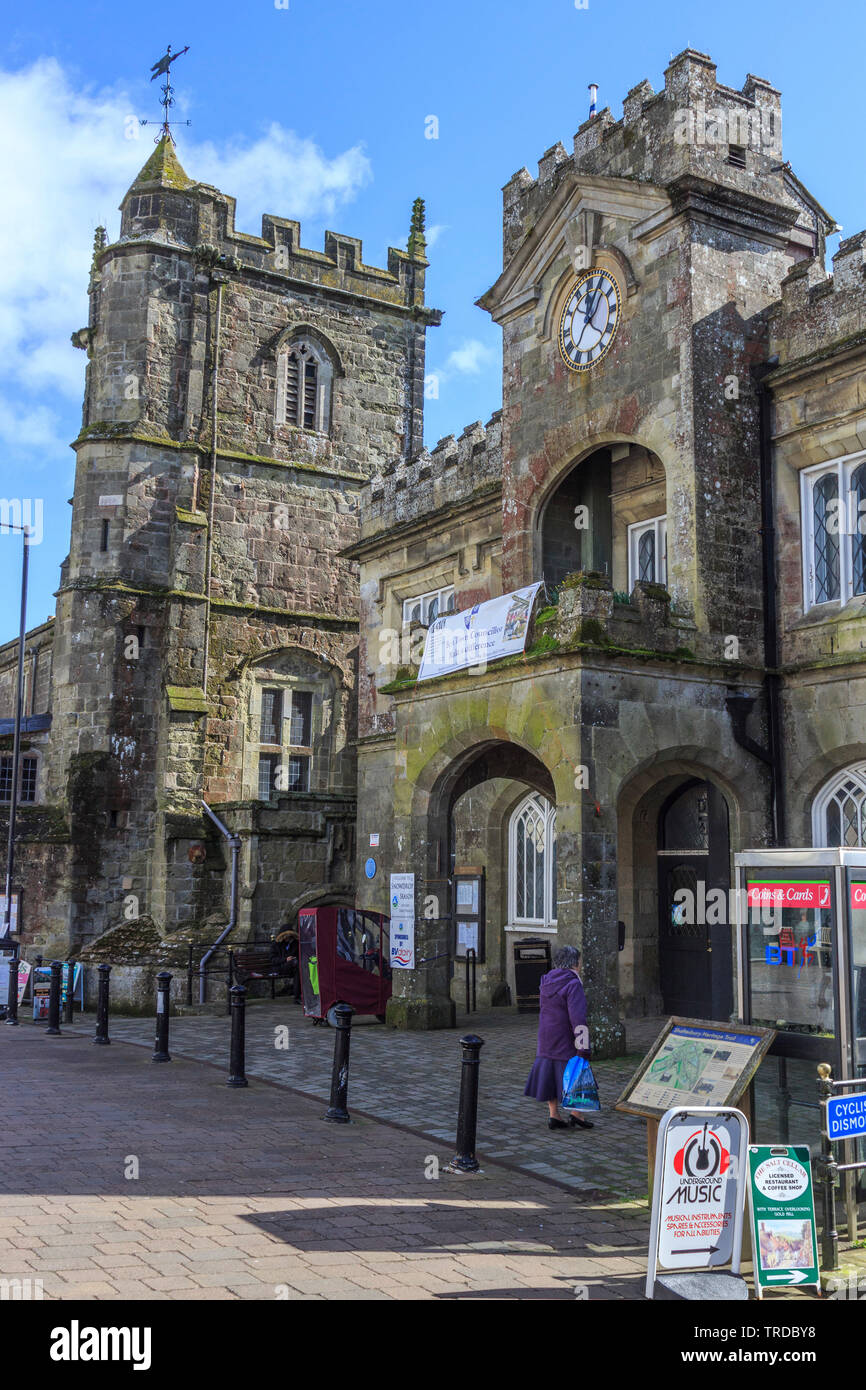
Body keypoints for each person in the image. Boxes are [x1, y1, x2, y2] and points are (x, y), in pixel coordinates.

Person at [524, 945, 593, 1130]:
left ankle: (554, 1115)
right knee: (575, 1071)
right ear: (575, 963)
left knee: (549, 1073)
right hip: (565, 1035)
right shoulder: (573, 984)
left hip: (546, 1034)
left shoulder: (546, 980)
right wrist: (583, 1045)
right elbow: (578, 1017)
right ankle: (576, 1113)